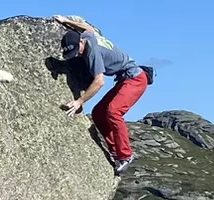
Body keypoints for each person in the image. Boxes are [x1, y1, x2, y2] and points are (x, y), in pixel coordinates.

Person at [55, 14, 152, 173]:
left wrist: (80, 101)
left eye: (77, 51)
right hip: (125, 79)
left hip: (135, 79)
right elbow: (87, 27)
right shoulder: (88, 36)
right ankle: (115, 152)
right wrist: (66, 21)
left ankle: (126, 155)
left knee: (114, 111)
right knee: (99, 113)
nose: (78, 55)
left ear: (81, 42)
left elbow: (99, 81)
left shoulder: (92, 52)